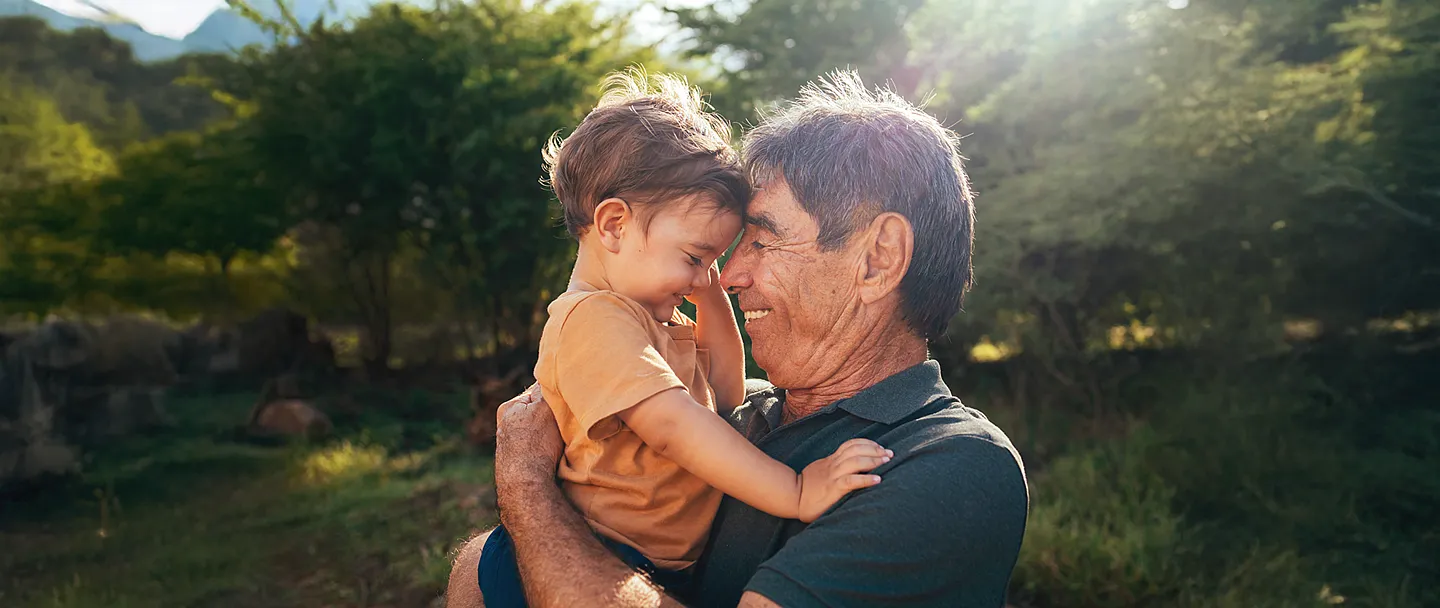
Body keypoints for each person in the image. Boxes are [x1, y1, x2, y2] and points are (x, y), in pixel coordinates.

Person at [448, 71, 1029, 608]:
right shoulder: (744, 411)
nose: (725, 274)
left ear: (878, 259)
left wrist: (526, 492)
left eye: (762, 241)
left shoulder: (951, 463)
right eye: (711, 253)